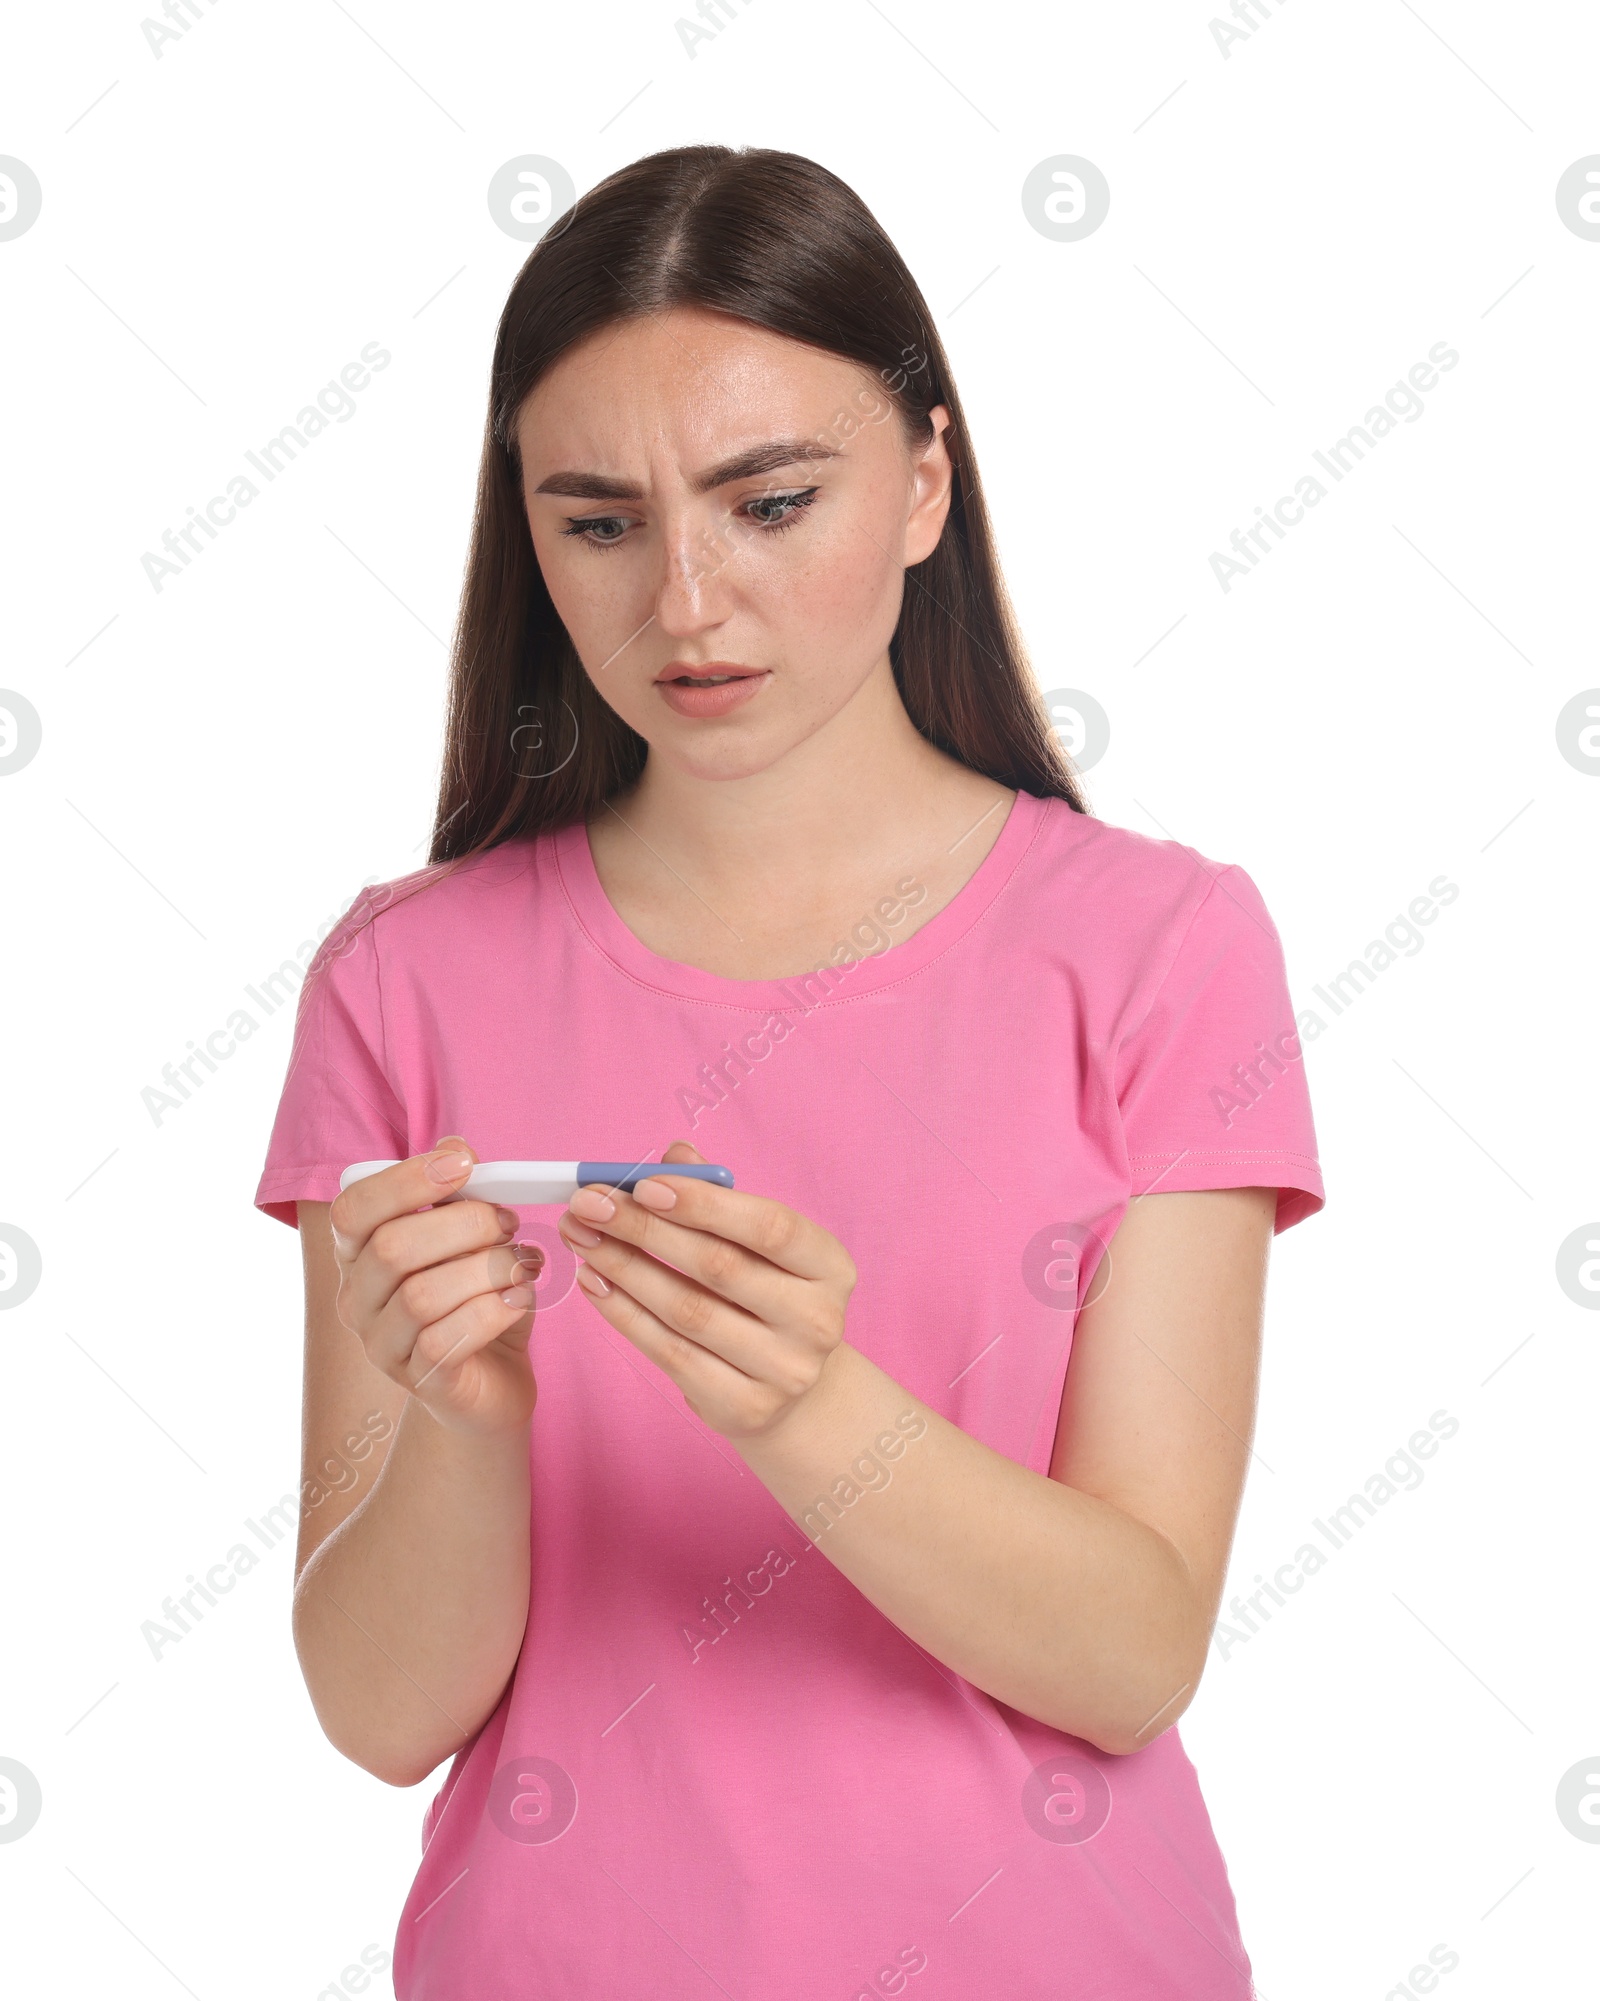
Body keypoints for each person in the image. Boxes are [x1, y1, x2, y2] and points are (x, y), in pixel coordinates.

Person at [255, 143, 1324, 1999]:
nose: (685, 603)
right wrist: (464, 1420)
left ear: (924, 481)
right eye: (596, 521)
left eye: (768, 502)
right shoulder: (398, 979)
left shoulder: (1164, 947)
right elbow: (376, 1711)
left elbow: (1133, 1650)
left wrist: (805, 1407)